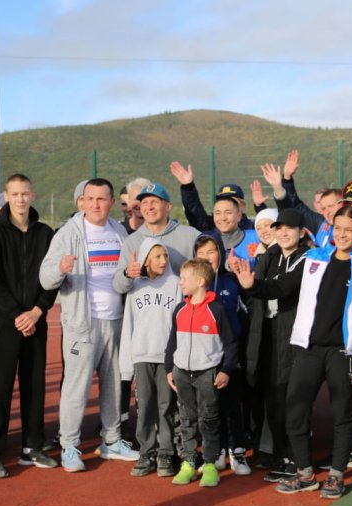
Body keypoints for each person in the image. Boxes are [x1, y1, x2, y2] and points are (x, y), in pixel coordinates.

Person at [233, 204, 352, 500]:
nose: (342, 234)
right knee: (295, 410)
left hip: (343, 352)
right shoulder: (315, 258)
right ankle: (305, 474)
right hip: (309, 348)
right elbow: (284, 286)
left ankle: (336, 475)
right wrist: (253, 286)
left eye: (349, 230)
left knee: (344, 413)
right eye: (337, 228)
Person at [39, 178, 139, 472]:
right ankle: (69, 445)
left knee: (114, 385)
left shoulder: (119, 232)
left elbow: (124, 275)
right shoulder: (68, 234)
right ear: (81, 202)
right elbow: (45, 278)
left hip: (116, 321)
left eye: (102, 199)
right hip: (82, 324)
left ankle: (112, 440)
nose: (96, 204)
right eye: (90, 198)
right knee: (77, 387)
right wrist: (60, 268)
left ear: (111, 202)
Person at [0, 175, 59, 478]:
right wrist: (17, 315)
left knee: (34, 386)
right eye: (15, 194)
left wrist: (37, 311)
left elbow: (52, 277)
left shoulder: (44, 233)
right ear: (6, 196)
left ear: (33, 195)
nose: (21, 199)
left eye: (25, 194)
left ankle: (32, 447)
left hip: (36, 321)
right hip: (6, 322)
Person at [240, 209, 310, 483]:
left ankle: (297, 459)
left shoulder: (308, 258)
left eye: (289, 228)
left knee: (292, 401)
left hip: (294, 337)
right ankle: (282, 456)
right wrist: (253, 281)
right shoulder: (271, 255)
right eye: (278, 228)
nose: (282, 233)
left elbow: (282, 287)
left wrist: (253, 285)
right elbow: (259, 280)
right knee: (274, 400)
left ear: (301, 232)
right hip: (268, 334)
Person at [166, 258, 239, 487]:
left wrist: (226, 370)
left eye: (184, 278)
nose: (180, 282)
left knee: (209, 420)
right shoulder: (180, 310)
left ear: (200, 281)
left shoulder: (216, 310)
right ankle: (188, 463)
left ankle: (209, 465)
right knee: (186, 419)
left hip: (208, 374)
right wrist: (169, 369)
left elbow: (231, 344)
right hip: (181, 373)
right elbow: (172, 342)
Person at [119, 239, 183, 477]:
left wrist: (177, 358)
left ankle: (166, 452)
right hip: (142, 356)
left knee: (166, 406)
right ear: (145, 259)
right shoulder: (135, 286)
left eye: (165, 255)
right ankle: (147, 452)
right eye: (157, 256)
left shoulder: (175, 284)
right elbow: (128, 325)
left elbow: (179, 324)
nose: (163, 260)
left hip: (166, 358)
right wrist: (127, 366)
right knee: (145, 406)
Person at [194, 231, 250, 475]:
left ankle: (237, 450)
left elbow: (245, 315)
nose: (207, 257)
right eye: (201, 253)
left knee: (232, 405)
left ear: (220, 253)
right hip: (204, 356)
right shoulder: (192, 285)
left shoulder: (231, 281)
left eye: (212, 251)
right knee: (210, 408)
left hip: (230, 354)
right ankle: (216, 450)